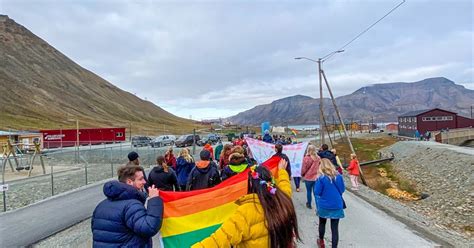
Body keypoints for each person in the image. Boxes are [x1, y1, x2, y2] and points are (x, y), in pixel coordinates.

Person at [192, 159, 300, 248]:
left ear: (251, 184)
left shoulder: (246, 212)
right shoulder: (283, 200)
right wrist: (282, 171)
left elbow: (217, 241)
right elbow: (285, 186)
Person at [92, 165, 163, 247]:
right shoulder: (132, 205)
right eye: (140, 179)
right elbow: (149, 227)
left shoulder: (100, 206)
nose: (144, 182)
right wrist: (154, 200)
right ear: (129, 182)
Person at [315, 159, 345, 248]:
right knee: (335, 228)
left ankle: (321, 241)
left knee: (322, 223)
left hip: (324, 204)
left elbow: (317, 192)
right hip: (336, 204)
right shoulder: (338, 176)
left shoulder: (321, 178)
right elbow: (342, 190)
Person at [301, 145, 321, 209]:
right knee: (316, 193)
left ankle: (309, 204)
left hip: (308, 177)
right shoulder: (318, 158)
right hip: (316, 177)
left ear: (308, 150)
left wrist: (302, 174)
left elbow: (304, 168)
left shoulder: (306, 158)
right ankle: (318, 207)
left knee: (309, 191)